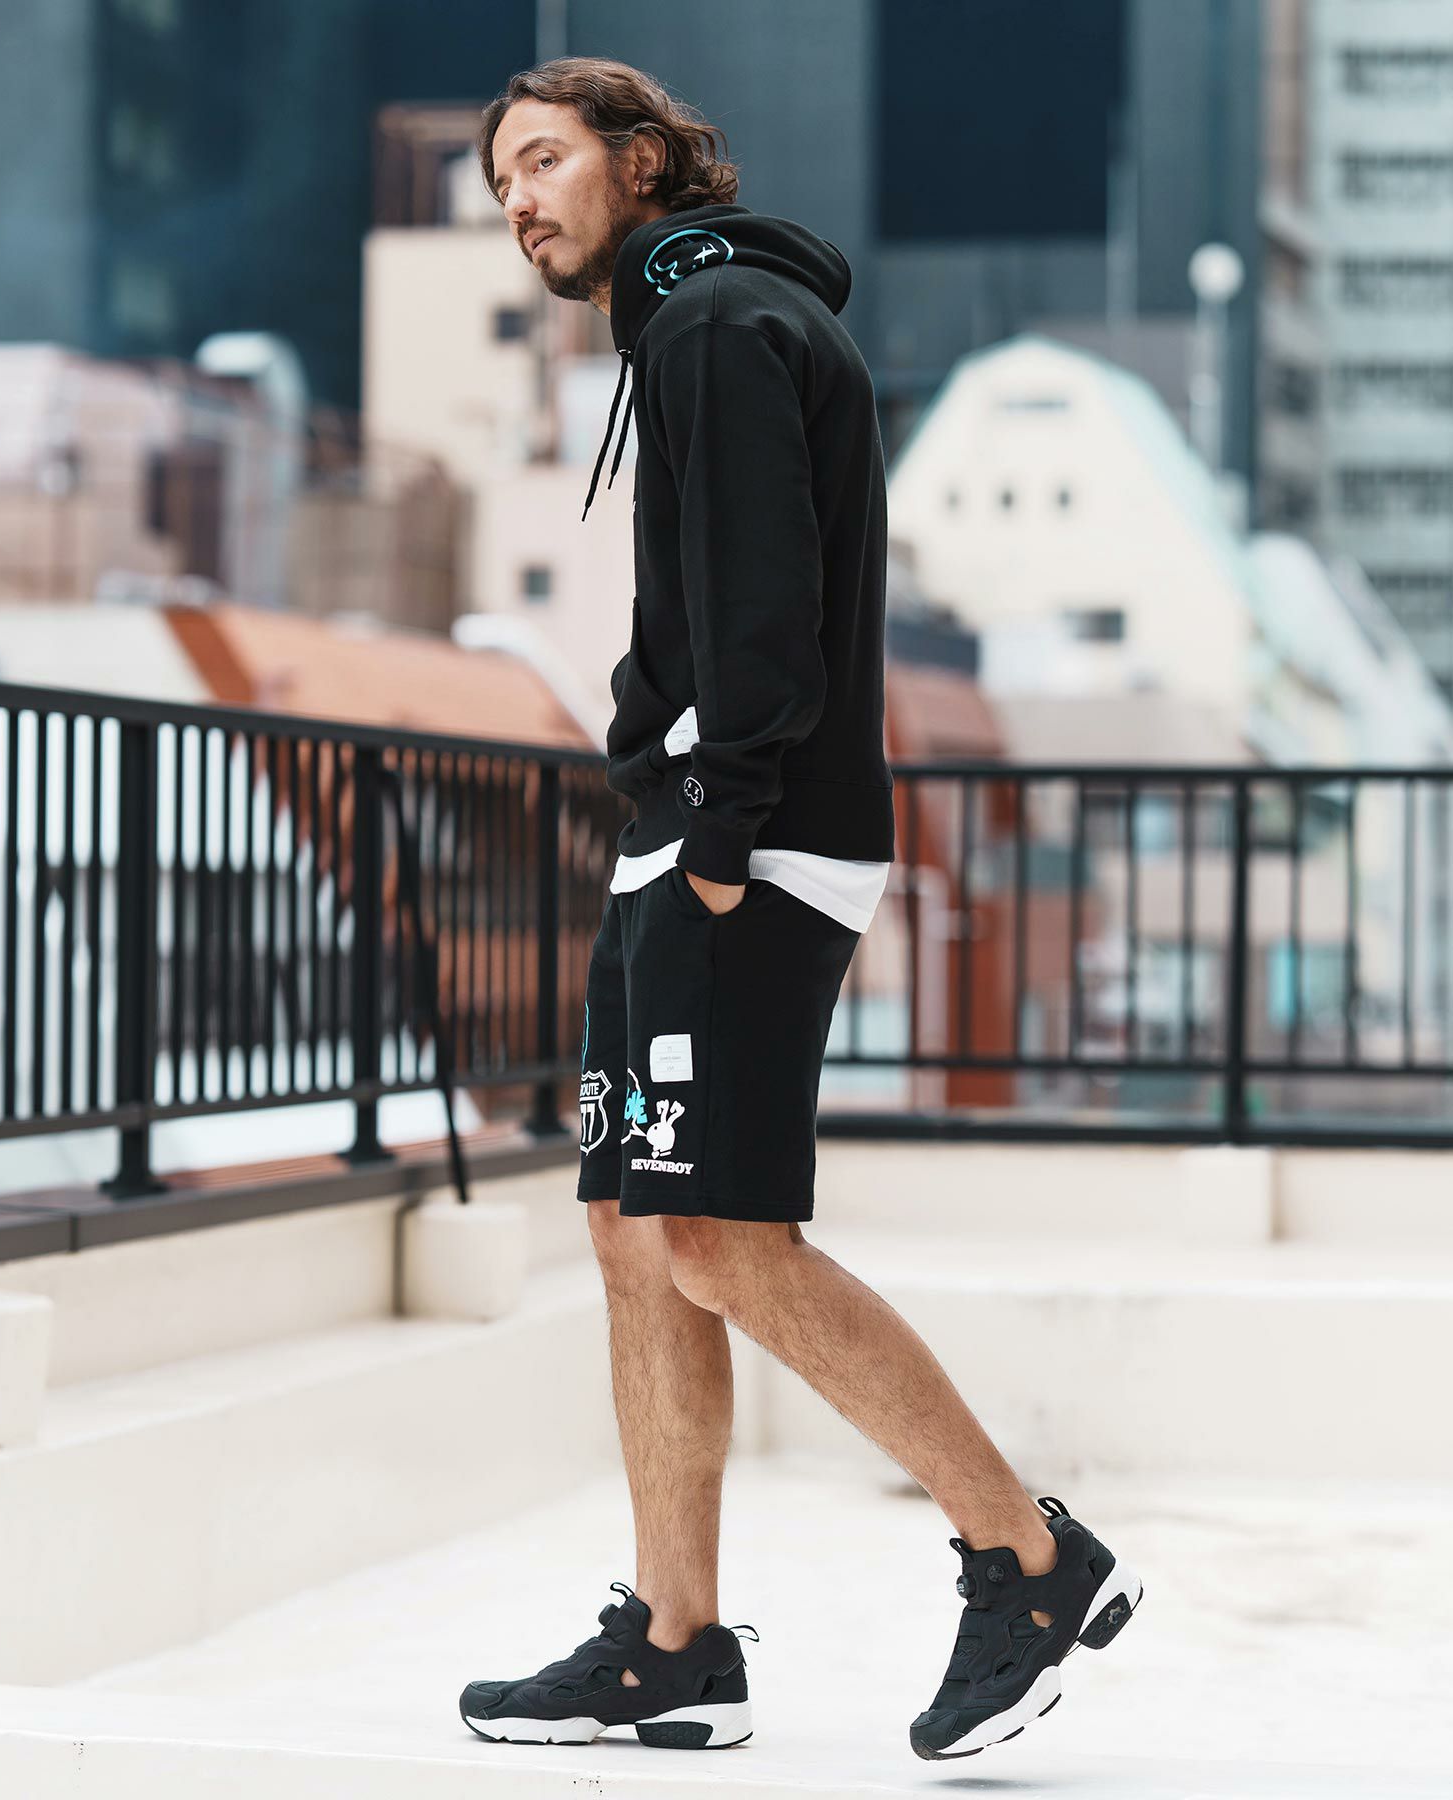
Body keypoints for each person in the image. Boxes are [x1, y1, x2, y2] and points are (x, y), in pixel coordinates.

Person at [462, 56, 1141, 1762]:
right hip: (688, 835)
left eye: (542, 161)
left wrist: (720, 827)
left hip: (743, 848)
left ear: (640, 160)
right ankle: (673, 1644)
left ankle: (1026, 1558)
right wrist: (678, 816)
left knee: (717, 1235)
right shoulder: (697, 327)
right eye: (500, 183)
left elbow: (766, 607)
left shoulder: (717, 324)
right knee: (634, 1231)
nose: (520, 202)